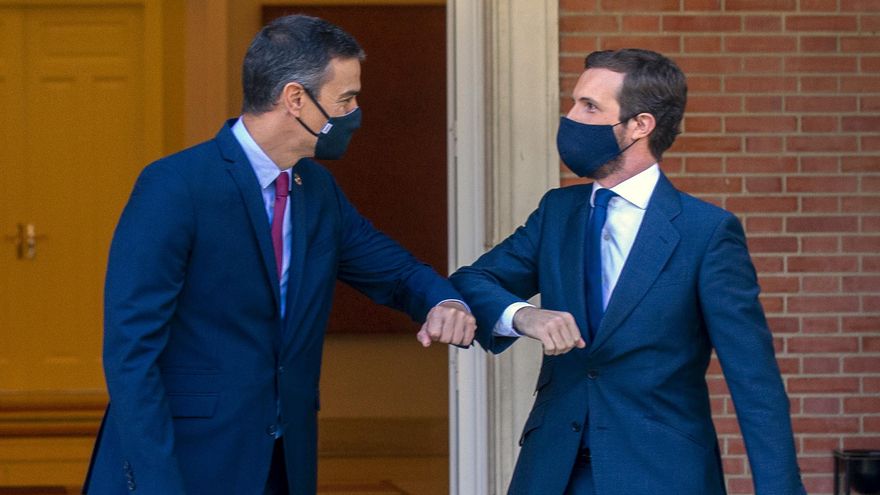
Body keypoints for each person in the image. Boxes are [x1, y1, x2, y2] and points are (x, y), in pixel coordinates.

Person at [83, 15, 474, 495]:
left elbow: (393, 270)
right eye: (346, 99)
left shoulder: (318, 189)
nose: (355, 112)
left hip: (283, 463)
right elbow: (131, 352)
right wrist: (157, 483)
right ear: (295, 99)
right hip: (185, 463)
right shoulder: (175, 186)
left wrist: (443, 301)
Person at [450, 48, 805, 494]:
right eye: (573, 104)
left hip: (661, 475)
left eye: (589, 107)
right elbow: (471, 282)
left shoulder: (707, 232)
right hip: (553, 472)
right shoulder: (558, 212)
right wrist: (525, 316)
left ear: (640, 125)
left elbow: (755, 383)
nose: (570, 119)